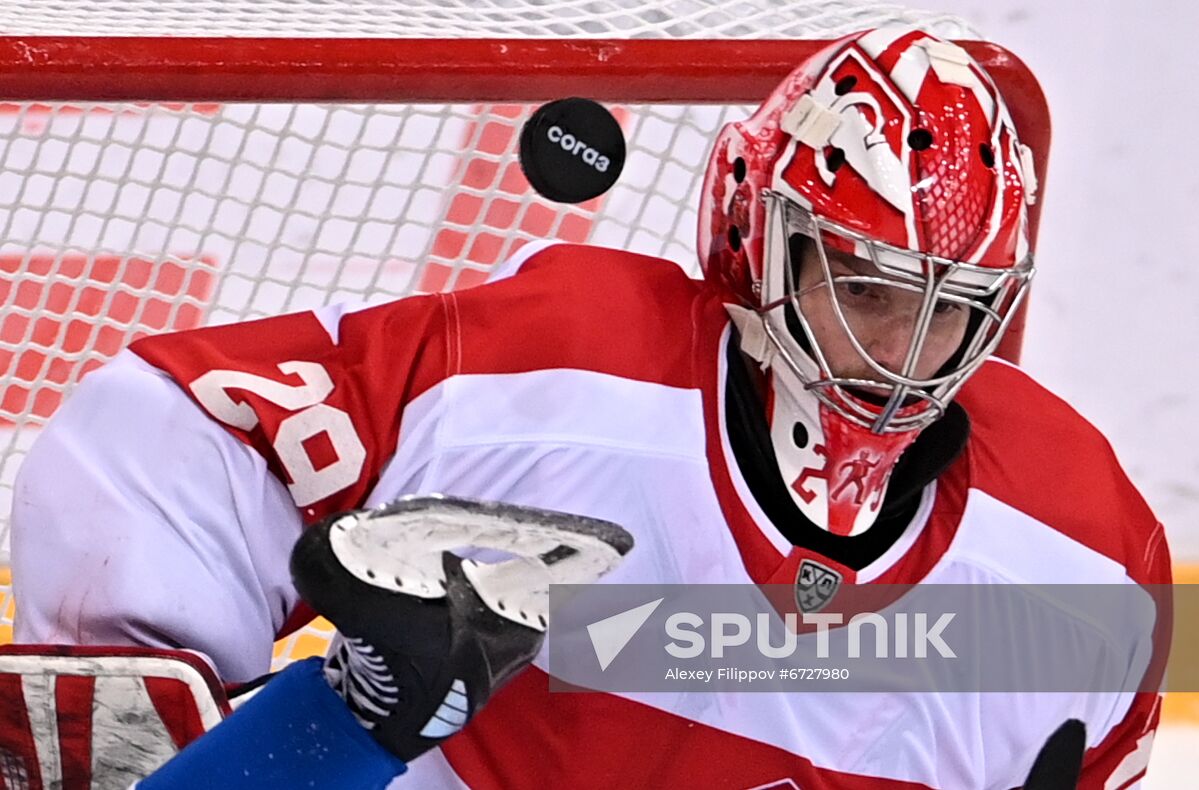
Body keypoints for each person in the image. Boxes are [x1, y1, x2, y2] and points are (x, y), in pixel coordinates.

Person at [3, 26, 1169, 789]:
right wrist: (147, 668)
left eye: (946, 307)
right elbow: (171, 424)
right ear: (748, 234)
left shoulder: (1078, 556)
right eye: (860, 283)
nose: (898, 349)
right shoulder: (557, 377)